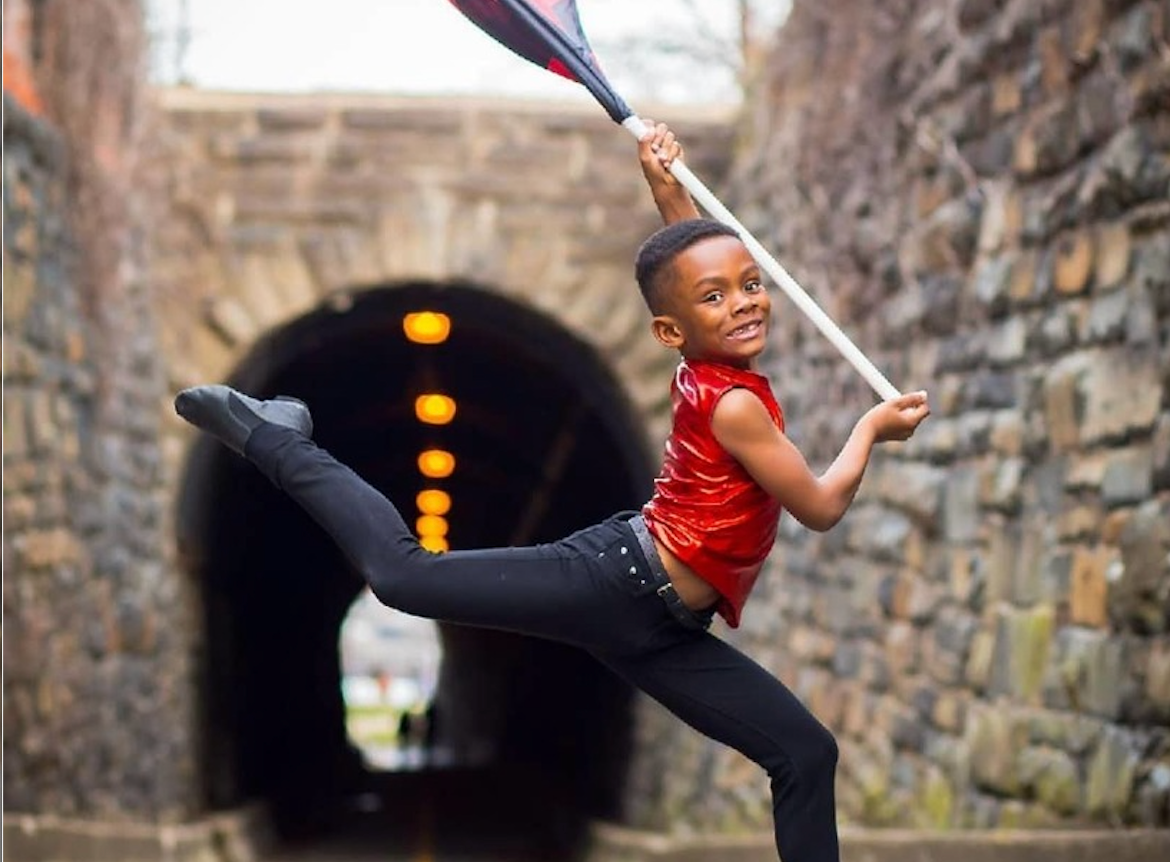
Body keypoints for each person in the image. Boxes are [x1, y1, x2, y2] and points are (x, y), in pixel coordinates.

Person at [174, 121, 931, 862]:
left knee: (804, 752)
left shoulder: (709, 362)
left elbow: (693, 269)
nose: (743, 302)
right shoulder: (733, 405)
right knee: (402, 576)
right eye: (718, 297)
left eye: (752, 285)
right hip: (614, 581)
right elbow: (819, 507)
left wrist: (668, 190)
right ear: (672, 332)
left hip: (665, 631)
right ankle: (279, 438)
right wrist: (869, 430)